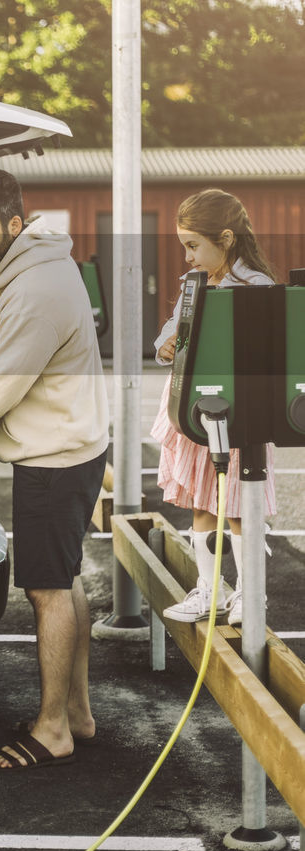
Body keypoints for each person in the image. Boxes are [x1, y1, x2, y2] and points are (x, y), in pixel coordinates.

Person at [0, 168, 109, 770]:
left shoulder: (36, 290)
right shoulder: (24, 268)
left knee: (47, 592)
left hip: (54, 460)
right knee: (65, 581)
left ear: (14, 222)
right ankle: (78, 714)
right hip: (68, 447)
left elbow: (1, 387)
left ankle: (54, 727)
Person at [152, 189, 276, 626]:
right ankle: (209, 590)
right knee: (203, 505)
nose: (187, 257)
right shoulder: (195, 286)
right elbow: (170, 334)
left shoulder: (257, 288)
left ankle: (250, 593)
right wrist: (165, 346)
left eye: (192, 246)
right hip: (196, 412)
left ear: (225, 239)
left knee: (240, 505)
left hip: (240, 414)